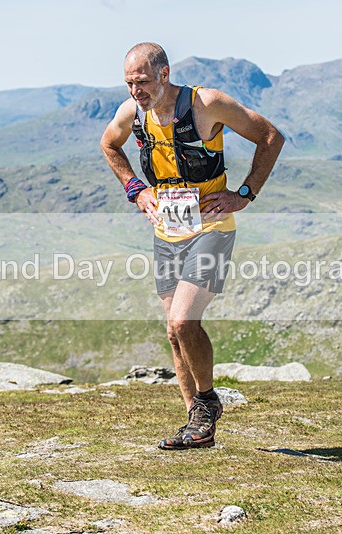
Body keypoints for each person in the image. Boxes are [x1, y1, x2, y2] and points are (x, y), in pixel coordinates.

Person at [100, 42, 284, 449]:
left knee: (185, 321)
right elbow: (108, 145)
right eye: (129, 83)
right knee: (173, 331)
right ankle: (196, 425)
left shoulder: (207, 103)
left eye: (143, 81)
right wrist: (136, 189)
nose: (136, 91)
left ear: (164, 73)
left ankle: (206, 403)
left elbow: (270, 136)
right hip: (167, 232)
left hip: (212, 228)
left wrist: (245, 193)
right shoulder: (133, 114)